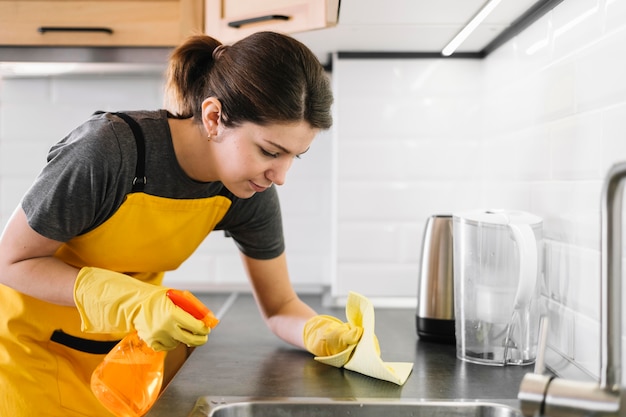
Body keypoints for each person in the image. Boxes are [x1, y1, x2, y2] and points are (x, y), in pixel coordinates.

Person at [0, 31, 362, 417]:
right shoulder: (109, 152)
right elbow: (11, 261)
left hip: (125, 366)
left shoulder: (245, 190)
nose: (281, 175)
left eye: (295, 156)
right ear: (213, 117)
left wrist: (320, 333)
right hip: (32, 360)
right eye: (270, 151)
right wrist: (131, 299)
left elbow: (280, 306)